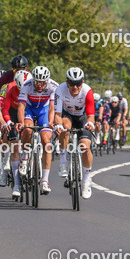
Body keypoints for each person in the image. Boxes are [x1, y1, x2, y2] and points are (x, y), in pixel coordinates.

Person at [52, 66, 97, 199]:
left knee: (85, 146)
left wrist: (90, 123)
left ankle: (86, 180)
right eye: (72, 83)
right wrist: (58, 125)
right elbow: (58, 114)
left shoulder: (87, 91)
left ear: (82, 82)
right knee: (65, 127)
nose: (75, 87)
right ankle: (63, 161)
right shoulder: (60, 90)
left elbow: (90, 115)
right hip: (67, 116)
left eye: (78, 84)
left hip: (82, 117)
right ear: (67, 82)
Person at [16, 65, 57, 195]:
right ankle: (24, 156)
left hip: (43, 111)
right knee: (27, 130)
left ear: (47, 81)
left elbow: (51, 108)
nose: (39, 85)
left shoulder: (53, 86)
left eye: (42, 82)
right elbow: (21, 107)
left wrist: (50, 122)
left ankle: (45, 180)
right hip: (29, 108)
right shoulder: (26, 85)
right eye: (37, 82)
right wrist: (21, 123)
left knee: (46, 141)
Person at [0, 69, 28, 198]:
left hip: (27, 112)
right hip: (12, 112)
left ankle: (30, 160)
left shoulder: (32, 85)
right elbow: (3, 108)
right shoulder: (8, 87)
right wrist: (7, 122)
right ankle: (15, 181)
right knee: (14, 144)